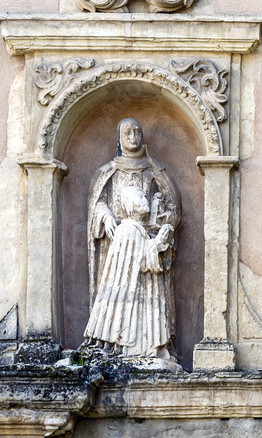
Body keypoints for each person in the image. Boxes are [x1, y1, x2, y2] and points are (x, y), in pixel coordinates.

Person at [82, 118, 180, 366]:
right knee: (118, 292)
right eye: (128, 132)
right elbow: (97, 202)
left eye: (138, 131)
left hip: (146, 240)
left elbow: (172, 206)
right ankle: (116, 344)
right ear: (120, 138)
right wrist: (105, 216)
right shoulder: (109, 172)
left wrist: (161, 224)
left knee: (148, 295)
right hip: (119, 246)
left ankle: (146, 346)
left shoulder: (154, 171)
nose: (134, 136)